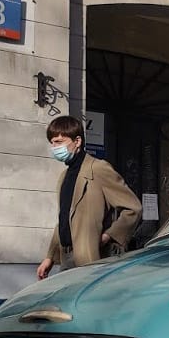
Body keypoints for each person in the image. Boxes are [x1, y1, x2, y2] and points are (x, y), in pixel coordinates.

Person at [36, 116, 141, 279]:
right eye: (52, 142)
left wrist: (108, 236)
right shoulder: (64, 176)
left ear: (77, 141)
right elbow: (64, 218)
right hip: (66, 257)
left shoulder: (98, 169)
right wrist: (50, 257)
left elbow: (133, 208)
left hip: (90, 256)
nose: (54, 147)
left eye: (59, 142)